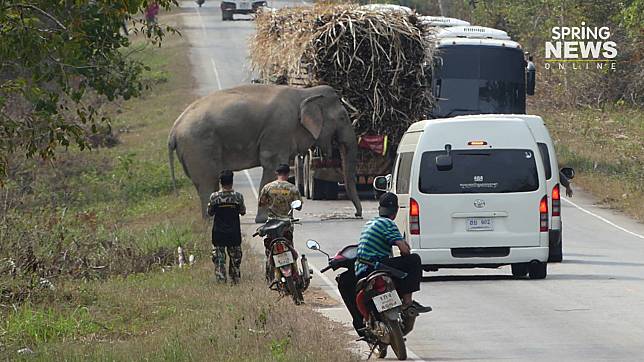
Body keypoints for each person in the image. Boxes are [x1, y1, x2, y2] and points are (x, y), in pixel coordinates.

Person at [355, 192, 430, 313]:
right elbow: (404, 250)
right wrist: (405, 250)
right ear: (396, 210)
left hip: (361, 269)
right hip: (376, 266)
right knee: (414, 260)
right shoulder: (388, 223)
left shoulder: (369, 223)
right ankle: (408, 303)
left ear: (379, 209)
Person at [258, 164, 302, 279]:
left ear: (277, 173)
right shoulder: (292, 188)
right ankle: (295, 275)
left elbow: (261, 204)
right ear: (288, 174)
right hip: (286, 225)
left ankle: (270, 277)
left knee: (270, 251)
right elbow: (298, 206)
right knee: (290, 249)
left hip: (271, 225)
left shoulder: (267, 187)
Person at [207, 170, 246, 284]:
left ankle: (221, 280)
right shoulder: (238, 197)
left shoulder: (214, 197)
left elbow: (210, 213)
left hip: (218, 233)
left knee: (219, 259)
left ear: (220, 182)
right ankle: (234, 279)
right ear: (232, 182)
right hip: (234, 233)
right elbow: (242, 211)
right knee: (235, 258)